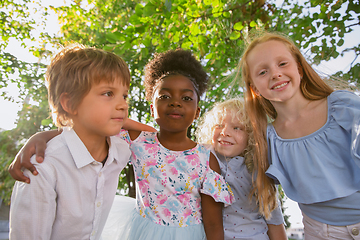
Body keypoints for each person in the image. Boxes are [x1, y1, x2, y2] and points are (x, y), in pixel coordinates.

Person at [8, 48, 235, 240]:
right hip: (145, 231)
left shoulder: (205, 157)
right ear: (151, 108)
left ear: (197, 112)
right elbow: (83, 129)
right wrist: (41, 136)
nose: (175, 103)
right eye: (165, 96)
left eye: (186, 98)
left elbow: (214, 223)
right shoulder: (136, 142)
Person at [240, 32, 360, 239]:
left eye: (282, 64)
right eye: (262, 72)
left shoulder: (343, 107)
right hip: (321, 231)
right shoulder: (268, 139)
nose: (275, 74)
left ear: (300, 69)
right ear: (255, 89)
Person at [9, 44, 137, 239]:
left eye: (124, 95)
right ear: (69, 103)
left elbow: (156, 135)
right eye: (108, 94)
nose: (123, 105)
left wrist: (44, 134)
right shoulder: (42, 169)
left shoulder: (120, 150)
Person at [196, 98, 287, 240]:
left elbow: (274, 221)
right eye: (219, 125)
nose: (225, 132)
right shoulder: (202, 157)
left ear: (252, 135)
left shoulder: (258, 171)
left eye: (237, 128)